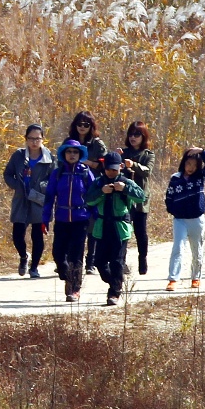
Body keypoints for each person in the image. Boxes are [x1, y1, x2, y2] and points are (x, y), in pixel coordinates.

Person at [86, 152, 148, 307]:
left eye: (114, 169)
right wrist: (102, 192)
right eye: (108, 169)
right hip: (102, 227)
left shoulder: (126, 181)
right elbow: (88, 199)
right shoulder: (99, 182)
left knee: (117, 261)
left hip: (120, 228)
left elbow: (141, 197)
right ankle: (116, 280)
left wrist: (126, 189)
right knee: (99, 261)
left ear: (120, 167)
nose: (111, 172)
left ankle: (114, 292)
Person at [42, 139, 95, 302]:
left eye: (75, 152)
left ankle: (74, 289)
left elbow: (93, 196)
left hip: (81, 219)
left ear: (80, 154)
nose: (72, 155)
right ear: (64, 154)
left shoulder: (86, 173)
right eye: (69, 152)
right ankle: (66, 274)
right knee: (58, 253)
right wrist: (45, 219)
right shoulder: (57, 173)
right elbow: (50, 197)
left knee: (76, 255)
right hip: (62, 218)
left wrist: (98, 217)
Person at [3, 124, 54, 278]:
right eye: (31, 138)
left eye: (37, 138)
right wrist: (17, 186)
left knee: (37, 235)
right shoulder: (18, 156)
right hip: (21, 199)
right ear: (26, 139)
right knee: (17, 234)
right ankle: (24, 257)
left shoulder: (49, 157)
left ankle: (34, 268)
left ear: (42, 139)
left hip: (39, 200)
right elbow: (7, 174)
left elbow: (53, 178)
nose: (34, 142)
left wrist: (42, 188)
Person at [163, 145, 205, 291]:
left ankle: (196, 277)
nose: (190, 167)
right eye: (188, 163)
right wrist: (172, 209)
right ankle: (173, 279)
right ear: (183, 163)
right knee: (178, 247)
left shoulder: (200, 177)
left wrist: (202, 152)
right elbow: (169, 197)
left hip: (196, 219)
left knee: (196, 249)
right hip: (180, 220)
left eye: (194, 165)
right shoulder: (175, 178)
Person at [66, 111, 109, 275]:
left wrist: (87, 162)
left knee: (91, 225)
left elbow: (105, 165)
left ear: (92, 126)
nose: (82, 127)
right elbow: (62, 162)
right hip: (72, 188)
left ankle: (90, 262)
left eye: (86, 124)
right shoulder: (69, 142)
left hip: (93, 188)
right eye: (80, 124)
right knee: (72, 226)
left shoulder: (97, 144)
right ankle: (71, 259)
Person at [119, 122, 155, 276]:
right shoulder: (123, 152)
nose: (133, 137)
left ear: (143, 136)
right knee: (123, 231)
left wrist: (133, 164)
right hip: (124, 199)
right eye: (131, 134)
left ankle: (143, 258)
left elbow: (147, 171)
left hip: (140, 199)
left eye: (137, 134)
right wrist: (117, 161)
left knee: (140, 231)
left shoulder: (148, 154)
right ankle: (121, 261)